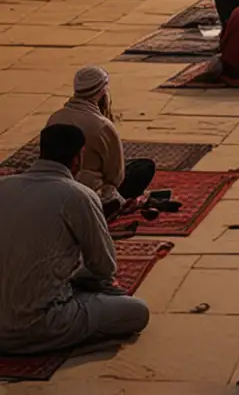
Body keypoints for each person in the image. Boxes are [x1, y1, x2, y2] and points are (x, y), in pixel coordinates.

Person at [0, 124, 152, 358]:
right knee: (136, 311)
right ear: (78, 158)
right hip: (41, 325)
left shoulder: (4, 187)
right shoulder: (77, 195)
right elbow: (104, 266)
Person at [43, 68, 156, 212]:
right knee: (144, 167)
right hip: (89, 189)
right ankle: (103, 204)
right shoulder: (102, 126)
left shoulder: (55, 117)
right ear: (102, 91)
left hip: (54, 185)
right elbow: (116, 177)